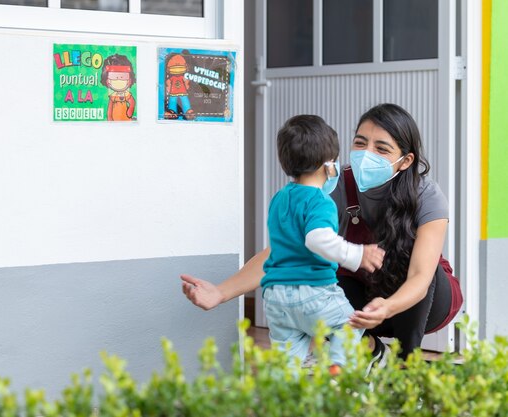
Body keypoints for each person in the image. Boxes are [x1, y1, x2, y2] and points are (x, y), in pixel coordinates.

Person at [181, 103, 463, 363]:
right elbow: (283, 253)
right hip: (366, 300)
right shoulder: (335, 184)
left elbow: (421, 277)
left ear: (405, 160)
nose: (367, 155)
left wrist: (389, 307)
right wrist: (220, 292)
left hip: (420, 304)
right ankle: (373, 352)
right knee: (313, 282)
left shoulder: (426, 195)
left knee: (419, 272)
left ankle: (407, 367)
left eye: (382, 148)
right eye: (360, 143)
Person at [258, 115, 384, 373]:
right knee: (350, 326)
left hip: (276, 296)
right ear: (328, 166)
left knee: (286, 361)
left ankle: (281, 396)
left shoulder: (279, 199)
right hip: (313, 291)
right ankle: (337, 368)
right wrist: (356, 254)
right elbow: (317, 239)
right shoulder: (320, 201)